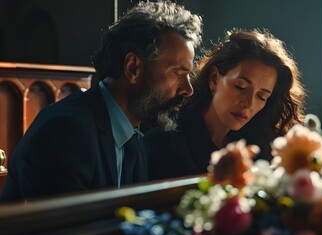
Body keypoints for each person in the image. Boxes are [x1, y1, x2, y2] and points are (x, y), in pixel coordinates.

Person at [0, 1, 202, 202]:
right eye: (177, 73)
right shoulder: (65, 131)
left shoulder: (135, 139)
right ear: (133, 68)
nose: (188, 89)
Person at [144, 29, 306, 180]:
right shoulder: (166, 142)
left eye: (261, 97)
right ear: (214, 79)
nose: (248, 103)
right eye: (240, 87)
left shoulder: (260, 144)